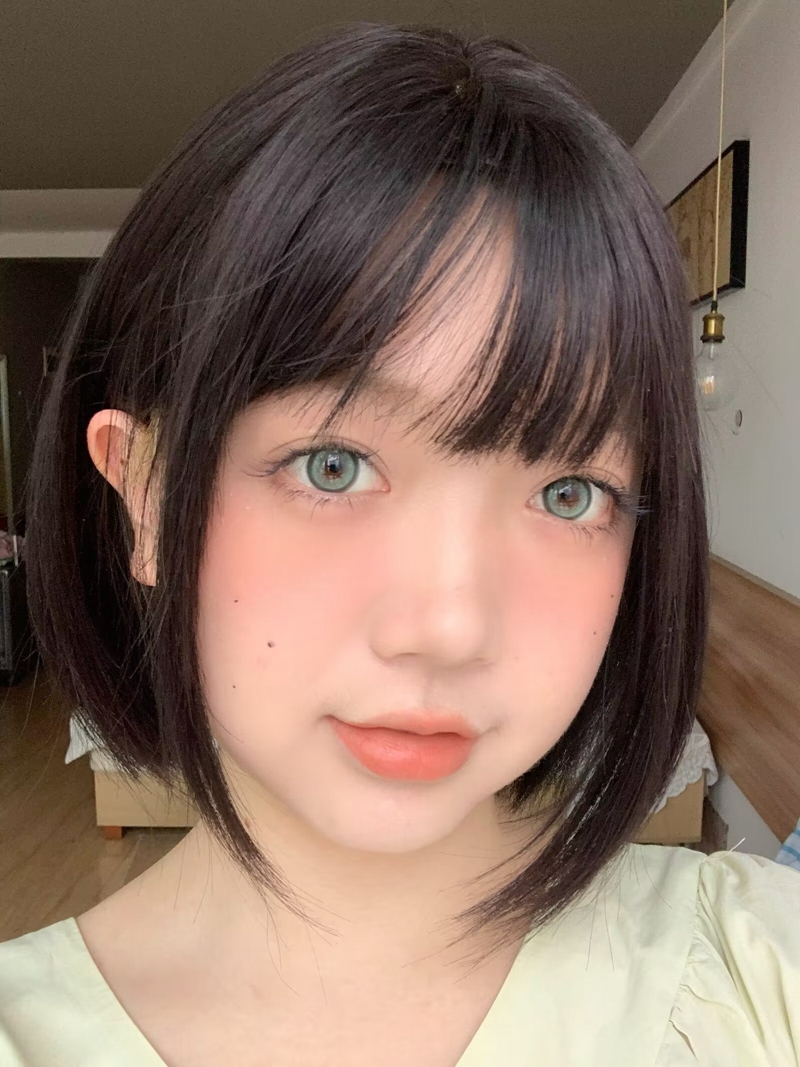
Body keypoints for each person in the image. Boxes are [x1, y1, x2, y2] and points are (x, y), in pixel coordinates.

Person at [1, 21, 798, 1067]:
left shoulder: (760, 970)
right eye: (332, 464)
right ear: (146, 495)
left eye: (567, 493)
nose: (448, 628)